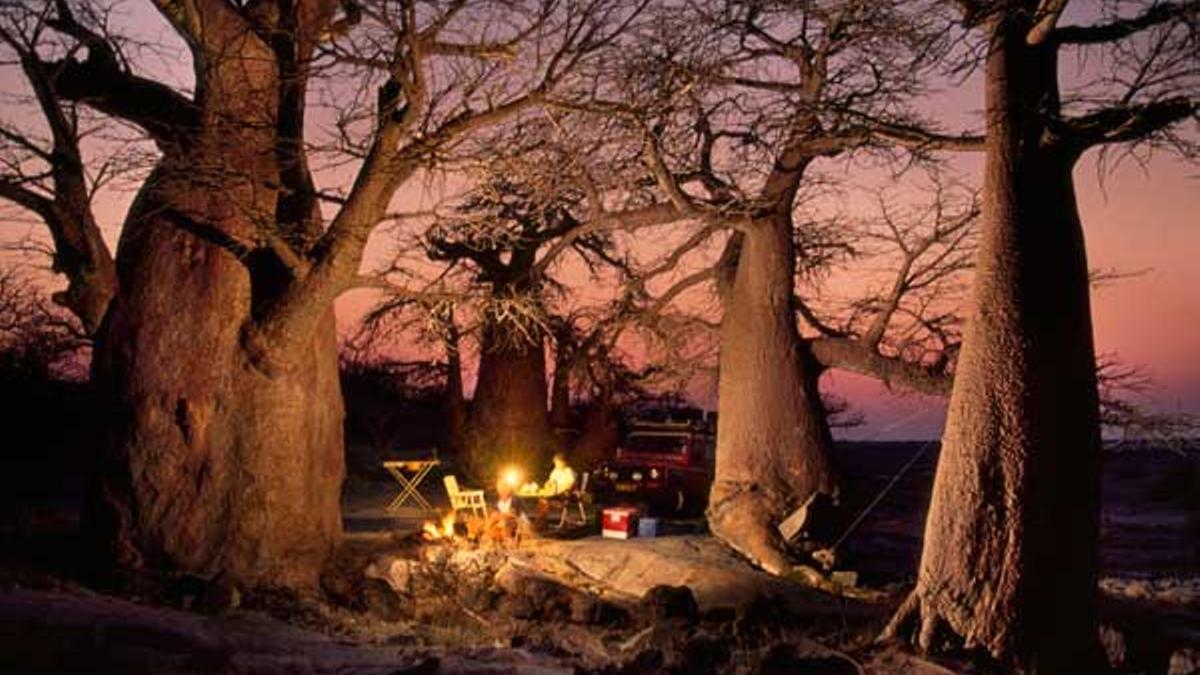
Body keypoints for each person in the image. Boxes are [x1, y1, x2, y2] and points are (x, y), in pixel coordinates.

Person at [535, 453, 577, 526]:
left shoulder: (568, 471)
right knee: (542, 500)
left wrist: (565, 490)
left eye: (558, 462)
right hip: (555, 494)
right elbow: (550, 482)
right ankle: (541, 521)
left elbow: (572, 484)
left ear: (563, 462)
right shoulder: (555, 471)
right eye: (555, 463)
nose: (556, 464)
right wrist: (548, 484)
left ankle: (540, 521)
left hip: (564, 496)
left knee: (544, 501)